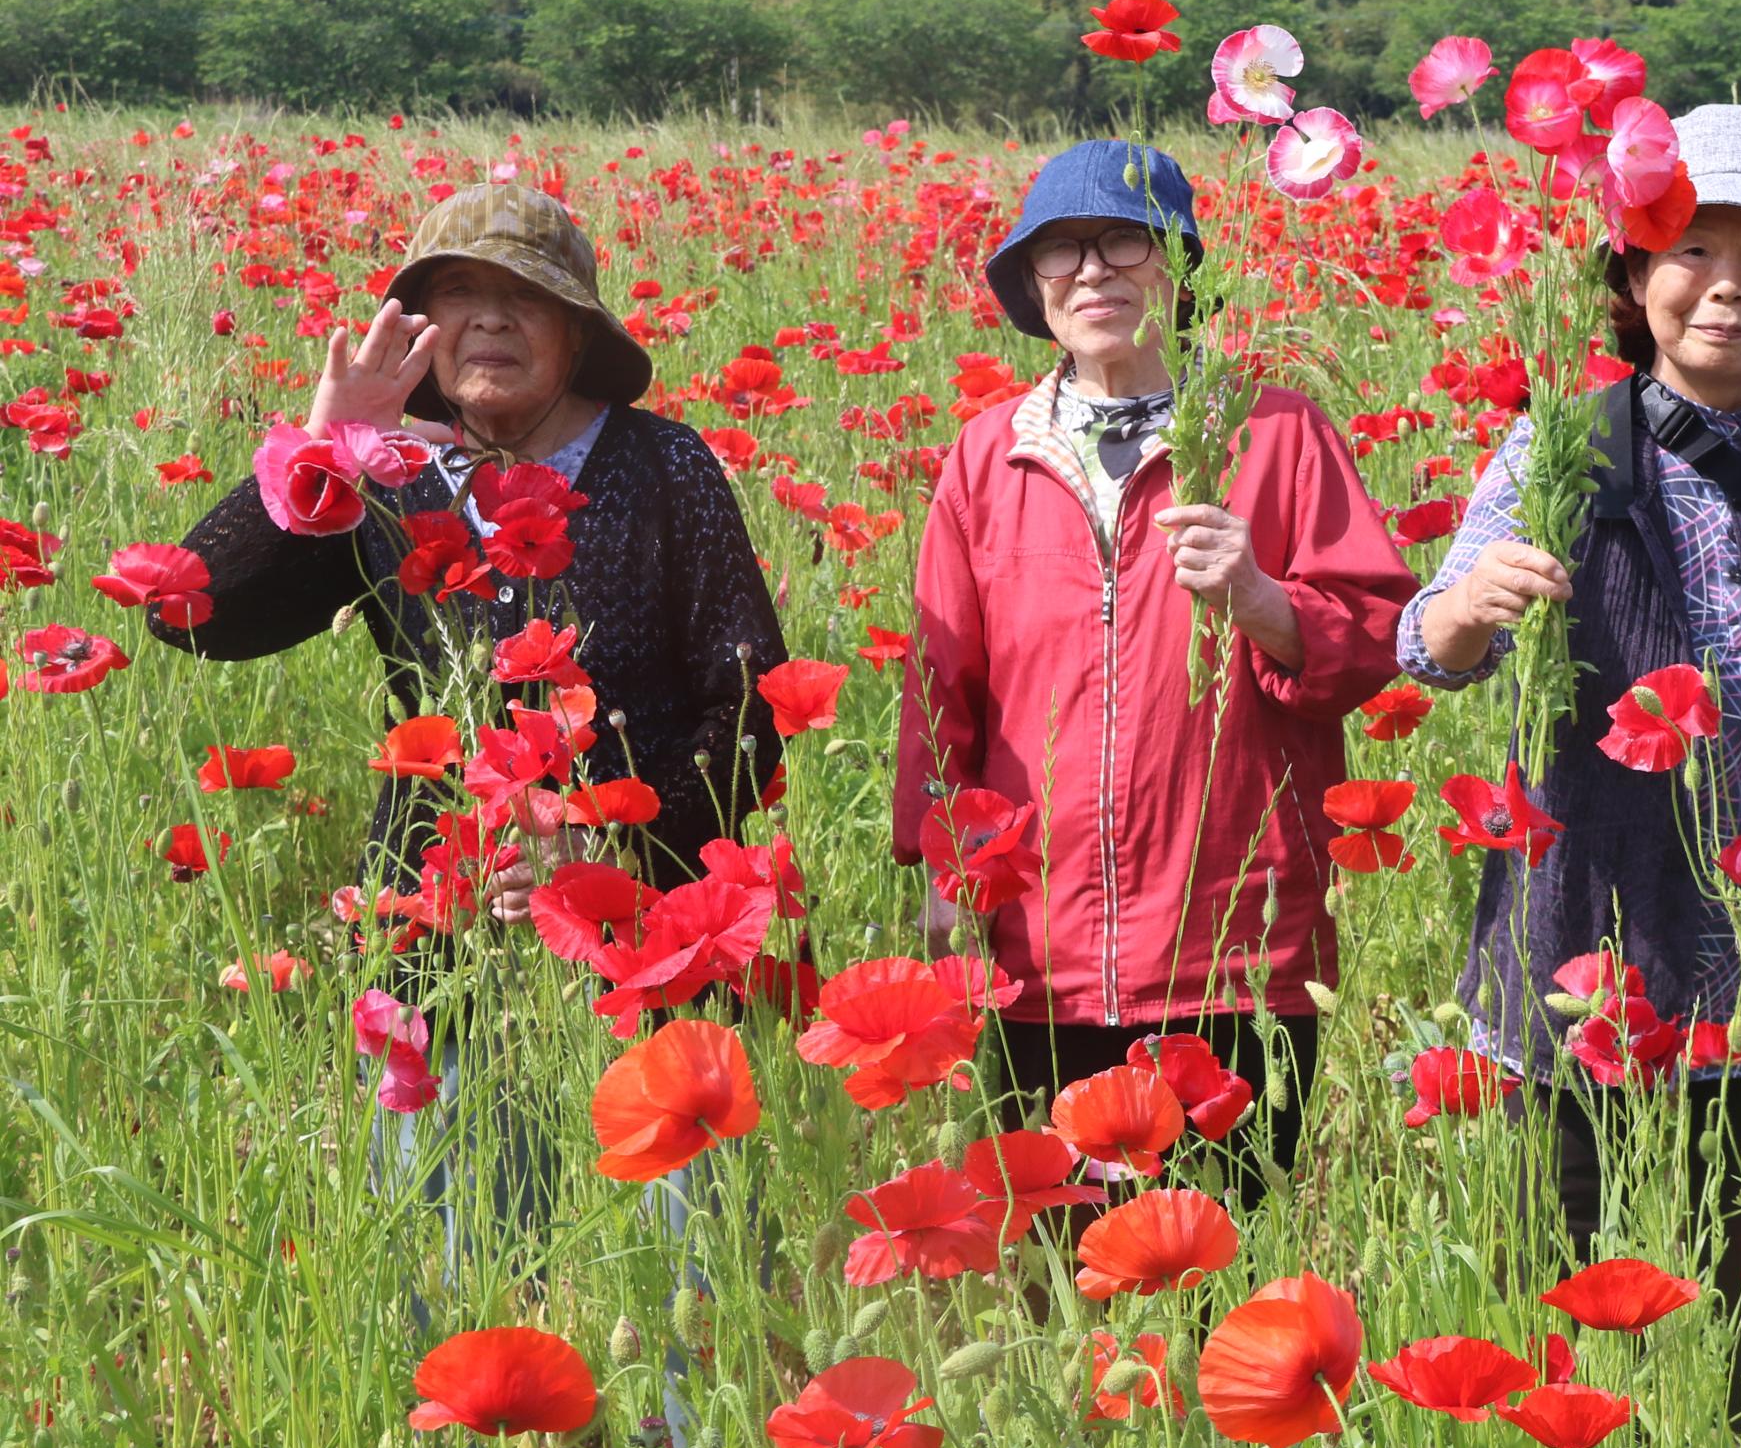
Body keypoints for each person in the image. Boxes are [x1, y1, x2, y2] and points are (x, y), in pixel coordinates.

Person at [152, 181, 793, 1295]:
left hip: (647, 938)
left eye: (521, 298)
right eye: (457, 295)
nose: (487, 320)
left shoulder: (661, 467)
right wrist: (326, 444)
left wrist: (610, 848)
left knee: (686, 1284)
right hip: (436, 947)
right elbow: (194, 612)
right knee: (460, 1285)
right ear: (421, 332)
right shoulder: (388, 480)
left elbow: (749, 706)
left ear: (578, 334)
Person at [1403, 104, 1741, 1306]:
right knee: (1573, 1255)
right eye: (1692, 250)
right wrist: (1474, 601)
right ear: (1634, 272)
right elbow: (1427, 649)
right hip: (1594, 910)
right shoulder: (1556, 443)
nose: (1726, 287)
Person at [898, 139, 1415, 1194]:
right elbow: (938, 687)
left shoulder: (1272, 433)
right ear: (1030, 287)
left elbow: (1375, 633)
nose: (1091, 272)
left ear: (1176, 266)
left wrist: (1265, 602)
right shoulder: (987, 454)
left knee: (1222, 1278)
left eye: (1122, 241)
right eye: (1058, 253)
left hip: (1232, 941)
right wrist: (951, 873)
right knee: (1070, 1272)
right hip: (1036, 946)